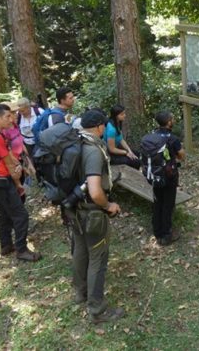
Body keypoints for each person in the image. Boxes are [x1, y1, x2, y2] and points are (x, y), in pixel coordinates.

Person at [71, 109, 125, 324]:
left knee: (80, 249)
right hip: (92, 212)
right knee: (98, 258)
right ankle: (97, 309)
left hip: (74, 208)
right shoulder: (93, 151)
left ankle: (80, 292)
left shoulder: (75, 142)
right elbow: (95, 190)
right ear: (100, 127)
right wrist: (109, 205)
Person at [0, 103, 41, 261]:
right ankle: (21, 250)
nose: (11, 118)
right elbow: (9, 162)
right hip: (3, 181)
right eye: (7, 116)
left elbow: (10, 157)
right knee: (21, 215)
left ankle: (6, 245)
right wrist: (18, 183)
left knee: (4, 215)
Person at [150, 111, 185, 246]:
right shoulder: (172, 138)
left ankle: (157, 230)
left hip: (155, 175)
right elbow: (181, 155)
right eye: (172, 118)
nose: (174, 120)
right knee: (168, 204)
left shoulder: (152, 135)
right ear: (169, 122)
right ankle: (166, 235)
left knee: (157, 202)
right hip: (169, 176)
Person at [104, 104, 140, 169]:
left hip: (116, 149)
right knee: (135, 161)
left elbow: (121, 139)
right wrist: (126, 153)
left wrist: (129, 151)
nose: (124, 115)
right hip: (109, 154)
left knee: (136, 153)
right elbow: (111, 149)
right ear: (116, 115)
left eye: (124, 113)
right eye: (122, 114)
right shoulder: (111, 129)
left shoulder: (117, 123)